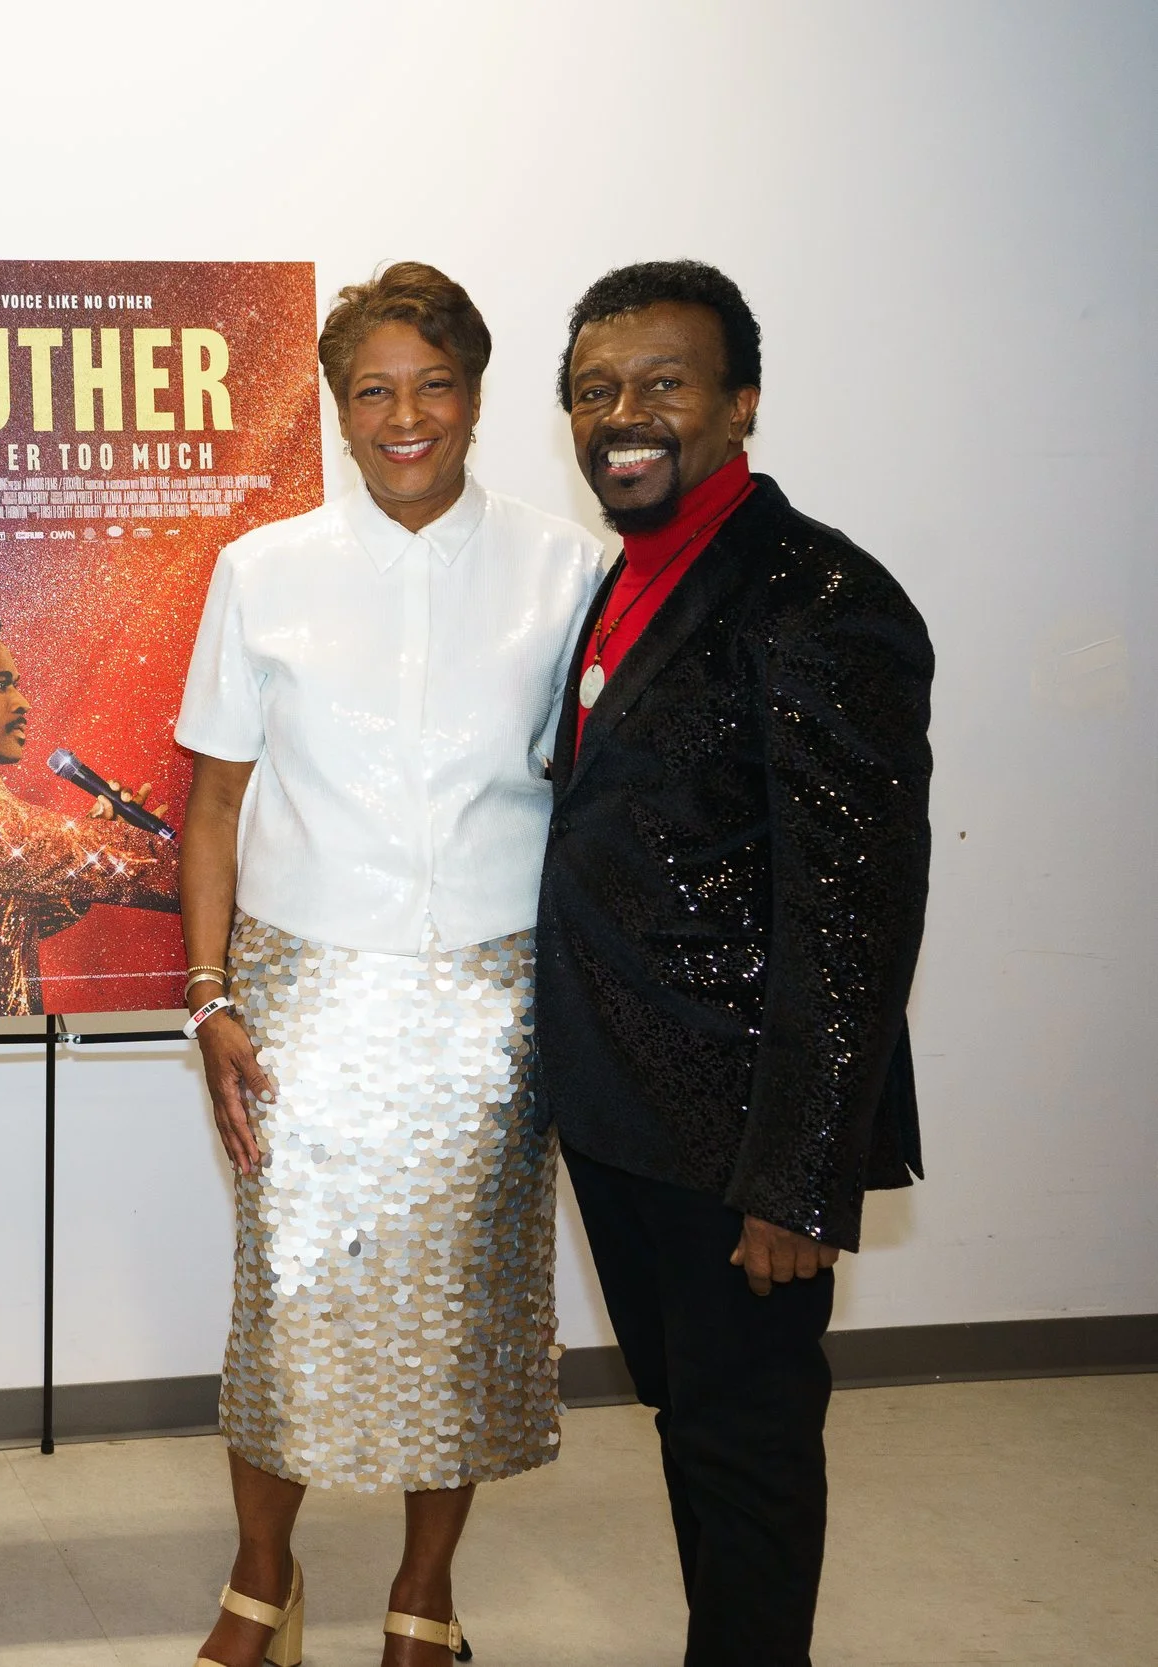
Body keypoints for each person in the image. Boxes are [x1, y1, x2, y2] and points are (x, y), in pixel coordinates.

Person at [174, 262, 606, 1667]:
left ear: (477, 397)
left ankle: (425, 1591)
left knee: (463, 1309)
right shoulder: (264, 571)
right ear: (337, 408)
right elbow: (218, 806)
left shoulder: (573, 570)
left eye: (433, 384)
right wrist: (211, 998)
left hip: (493, 995)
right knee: (286, 1301)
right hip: (302, 995)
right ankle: (261, 1580)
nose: (404, 414)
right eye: (374, 389)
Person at [541, 260, 932, 1667]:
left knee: (750, 1447)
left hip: (739, 1137)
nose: (624, 413)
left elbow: (855, 917)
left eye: (663, 381)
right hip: (623, 1112)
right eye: (596, 389)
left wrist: (798, 1177)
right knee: (695, 1427)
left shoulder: (819, 596)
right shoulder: (633, 580)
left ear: (741, 402)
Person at [0, 605, 177, 1017]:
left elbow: (9, 920)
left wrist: (96, 838)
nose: (23, 702)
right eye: (1, 685)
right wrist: (206, 868)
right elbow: (23, 845)